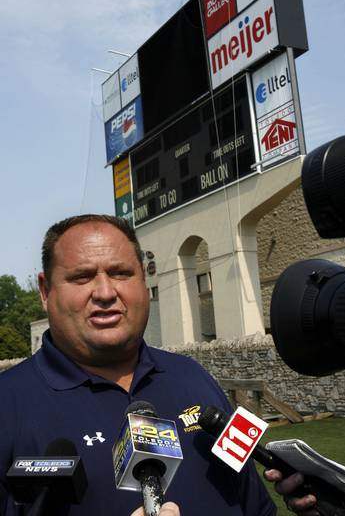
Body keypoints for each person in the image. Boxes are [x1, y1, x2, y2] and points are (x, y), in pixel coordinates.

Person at [0, 215, 316, 515]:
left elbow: (254, 505)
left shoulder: (193, 375)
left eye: (121, 273)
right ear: (45, 290)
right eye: (82, 277)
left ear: (144, 279)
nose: (106, 293)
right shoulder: (8, 403)